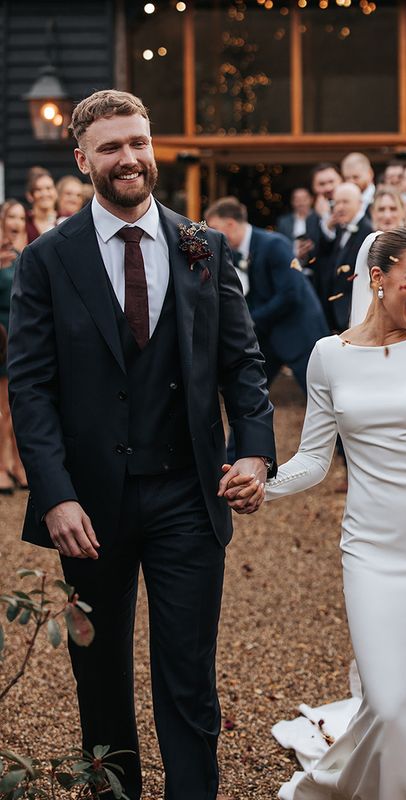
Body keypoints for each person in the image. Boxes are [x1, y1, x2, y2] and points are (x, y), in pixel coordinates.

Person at [8, 89, 275, 800]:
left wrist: (253, 451)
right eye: (110, 148)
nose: (128, 159)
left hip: (188, 491)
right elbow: (29, 387)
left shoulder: (202, 246)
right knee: (98, 679)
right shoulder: (47, 260)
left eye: (138, 143)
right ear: (82, 159)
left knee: (188, 673)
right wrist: (55, 494)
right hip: (89, 506)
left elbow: (242, 363)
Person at [224, 227, 406, 799]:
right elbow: (313, 458)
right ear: (378, 279)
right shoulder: (329, 356)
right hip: (373, 548)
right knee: (390, 699)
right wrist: (261, 485)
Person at [205, 196, 328, 392]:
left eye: (214, 228)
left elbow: (290, 293)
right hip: (268, 336)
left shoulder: (274, 244)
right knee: (250, 391)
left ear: (230, 224)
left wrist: (250, 320)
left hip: (299, 331)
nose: (210, 235)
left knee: (319, 395)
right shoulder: (231, 254)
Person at [315, 182, 373, 333]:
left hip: (354, 312)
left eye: (345, 202)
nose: (339, 207)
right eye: (336, 202)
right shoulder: (339, 229)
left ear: (360, 203)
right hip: (334, 315)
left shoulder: (368, 231)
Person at [0, 200, 28, 492]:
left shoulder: (22, 253)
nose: (16, 222)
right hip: (1, 334)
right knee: (3, 407)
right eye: (11, 217)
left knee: (20, 403)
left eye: (21, 217)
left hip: (20, 330)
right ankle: (2, 465)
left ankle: (20, 465)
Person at [24, 167, 57, 242]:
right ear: (30, 195)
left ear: (55, 192)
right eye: (38, 189)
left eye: (48, 188)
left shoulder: (64, 219)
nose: (45, 194)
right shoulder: (24, 221)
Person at [341, 152, 375, 217]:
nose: (351, 182)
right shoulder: (341, 202)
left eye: (355, 177)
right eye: (347, 178)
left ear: (370, 174)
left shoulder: (381, 197)